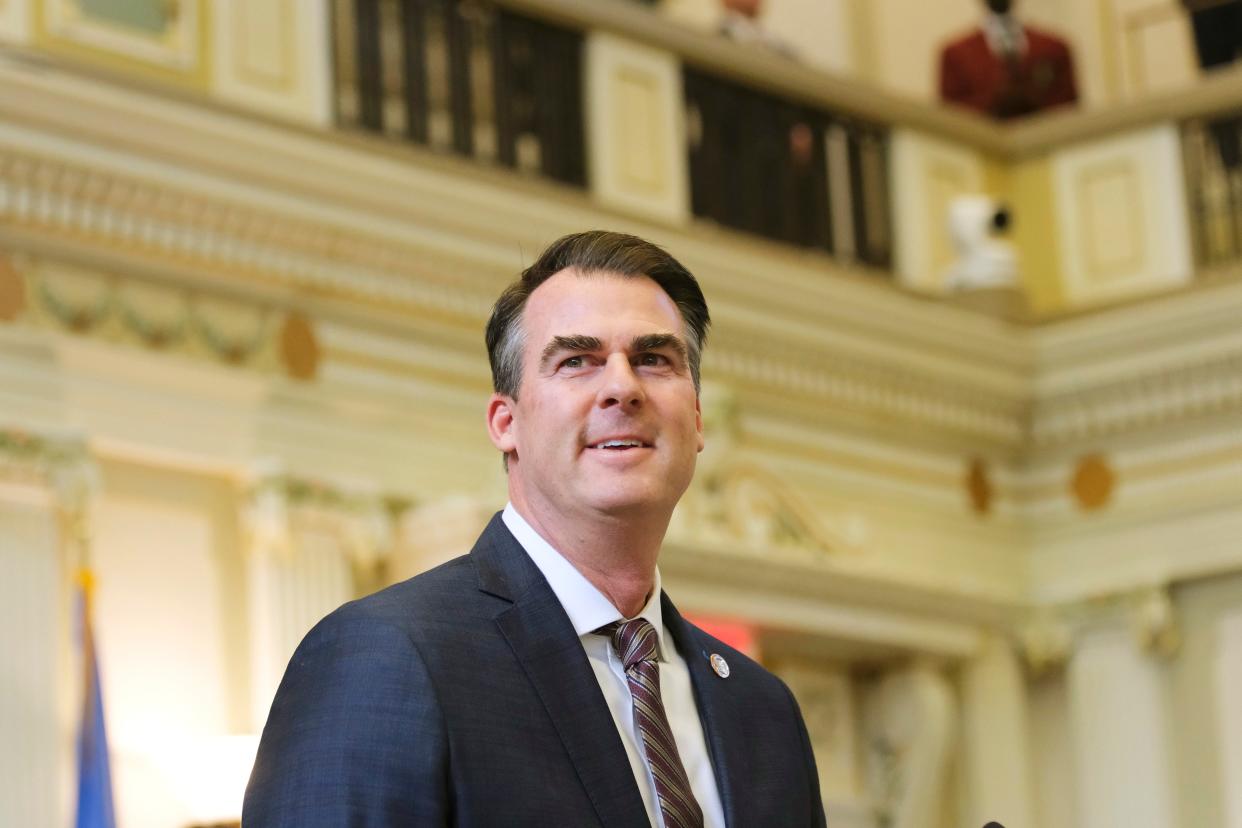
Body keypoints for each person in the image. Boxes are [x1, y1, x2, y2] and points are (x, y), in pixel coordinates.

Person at [242, 230, 826, 826]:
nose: (623, 387)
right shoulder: (388, 655)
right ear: (505, 422)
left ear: (697, 420)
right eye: (577, 361)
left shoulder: (762, 709)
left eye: (653, 358)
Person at [939, 0, 1078, 120]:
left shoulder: (1053, 48)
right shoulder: (956, 54)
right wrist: (994, 100)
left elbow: (1068, 110)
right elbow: (951, 117)